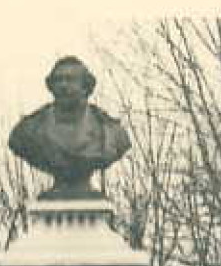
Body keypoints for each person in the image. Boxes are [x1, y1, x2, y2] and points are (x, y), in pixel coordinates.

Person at [8, 56, 131, 199]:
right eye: (58, 80)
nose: (63, 85)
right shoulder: (29, 131)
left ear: (86, 87)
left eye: (70, 79)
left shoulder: (110, 131)